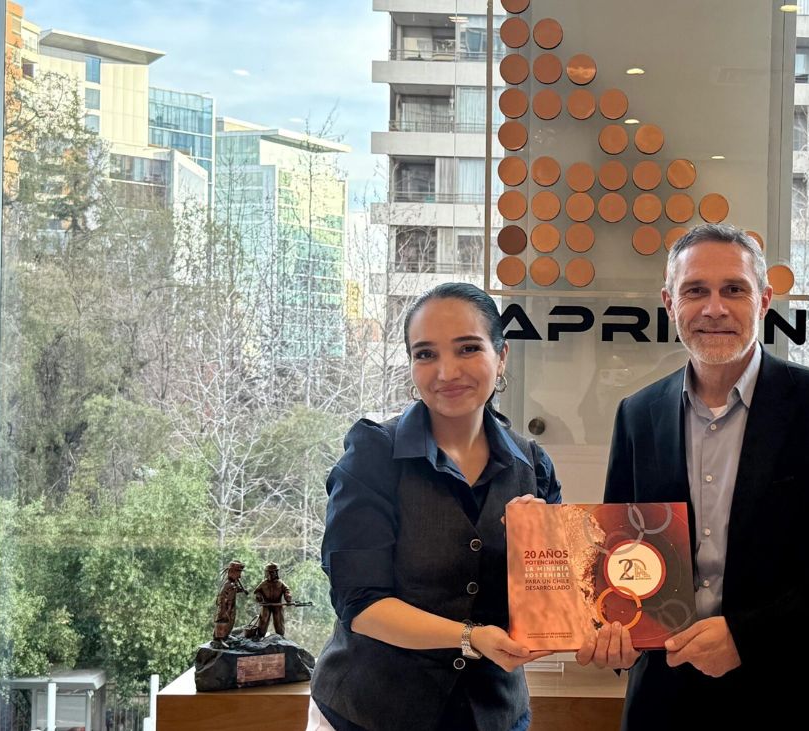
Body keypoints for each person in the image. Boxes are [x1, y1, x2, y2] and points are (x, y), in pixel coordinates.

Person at [577, 224, 809, 730]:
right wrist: (613, 629)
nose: (714, 308)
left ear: (764, 300)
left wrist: (746, 636)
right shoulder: (638, 414)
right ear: (669, 303)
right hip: (667, 701)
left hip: (796, 696)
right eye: (695, 291)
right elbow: (620, 555)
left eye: (734, 289)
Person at [309, 282, 562, 731]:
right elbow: (360, 604)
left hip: (494, 715)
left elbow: (551, 601)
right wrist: (470, 638)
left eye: (468, 348)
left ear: (501, 356)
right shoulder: (372, 455)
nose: (446, 372)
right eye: (425, 354)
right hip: (370, 715)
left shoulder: (534, 466)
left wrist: (537, 553)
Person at [250, 563, 293, 638]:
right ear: (266, 573)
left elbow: (287, 590)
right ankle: (260, 635)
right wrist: (258, 596)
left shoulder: (280, 583)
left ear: (276, 573)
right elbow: (256, 591)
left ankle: (280, 637)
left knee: (279, 621)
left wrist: (287, 596)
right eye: (268, 572)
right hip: (266, 605)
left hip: (278, 605)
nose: (270, 574)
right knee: (263, 621)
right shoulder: (263, 583)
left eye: (272, 572)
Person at [212, 559, 247, 648]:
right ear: (231, 572)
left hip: (231, 606)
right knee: (222, 621)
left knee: (230, 621)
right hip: (224, 607)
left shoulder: (233, 583)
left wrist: (240, 590)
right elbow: (221, 596)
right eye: (238, 573)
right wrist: (223, 608)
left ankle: (226, 635)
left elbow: (234, 590)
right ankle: (219, 639)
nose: (239, 576)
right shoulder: (227, 585)